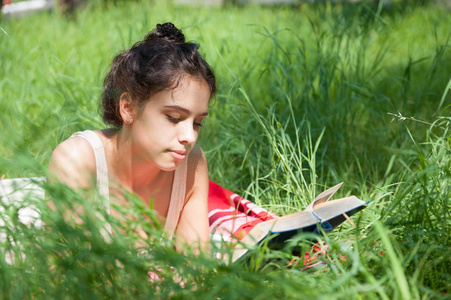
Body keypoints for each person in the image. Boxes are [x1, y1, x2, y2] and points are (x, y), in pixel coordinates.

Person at [48, 22, 216, 254]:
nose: (189, 137)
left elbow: (198, 267)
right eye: (174, 118)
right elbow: (69, 277)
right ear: (128, 108)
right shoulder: (77, 161)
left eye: (197, 122)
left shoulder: (192, 165)